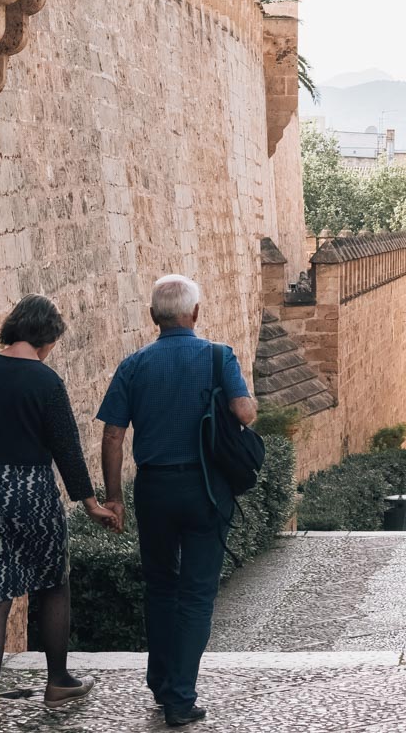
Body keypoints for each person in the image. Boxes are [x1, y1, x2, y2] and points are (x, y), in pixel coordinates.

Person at [98, 275, 257, 728]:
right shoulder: (217, 356)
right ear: (196, 314)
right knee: (197, 592)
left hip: (154, 489)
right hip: (206, 489)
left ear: (153, 317)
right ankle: (179, 698)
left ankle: (162, 681)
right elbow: (245, 412)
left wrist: (114, 498)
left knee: (161, 587)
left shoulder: (133, 365)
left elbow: (112, 434)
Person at [0, 294, 118, 733]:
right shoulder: (45, 382)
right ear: (45, 337)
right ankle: (58, 681)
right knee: (52, 584)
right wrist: (90, 502)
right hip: (31, 492)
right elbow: (65, 448)